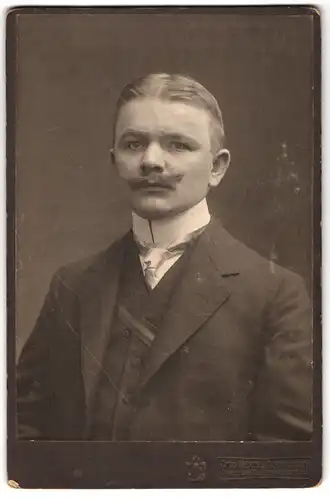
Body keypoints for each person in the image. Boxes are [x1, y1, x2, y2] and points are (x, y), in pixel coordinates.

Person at [17, 73, 313, 441]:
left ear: (217, 167)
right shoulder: (72, 285)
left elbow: (286, 455)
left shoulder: (274, 294)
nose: (151, 161)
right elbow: (22, 431)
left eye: (177, 145)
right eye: (134, 144)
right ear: (114, 160)